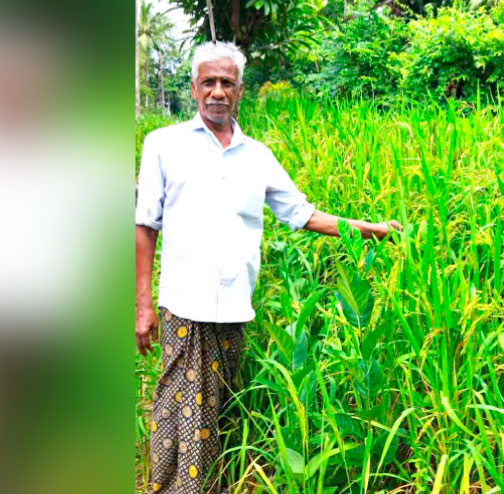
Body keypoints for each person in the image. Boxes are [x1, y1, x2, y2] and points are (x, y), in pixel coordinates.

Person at [135, 41, 401, 494]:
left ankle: (184, 485)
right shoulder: (164, 145)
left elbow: (302, 214)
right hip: (185, 300)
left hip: (236, 302)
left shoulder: (255, 155)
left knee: (212, 402)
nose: (217, 91)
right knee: (182, 401)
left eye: (227, 83)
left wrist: (370, 228)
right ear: (194, 88)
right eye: (209, 82)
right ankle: (176, 487)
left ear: (240, 91)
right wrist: (142, 304)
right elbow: (145, 225)